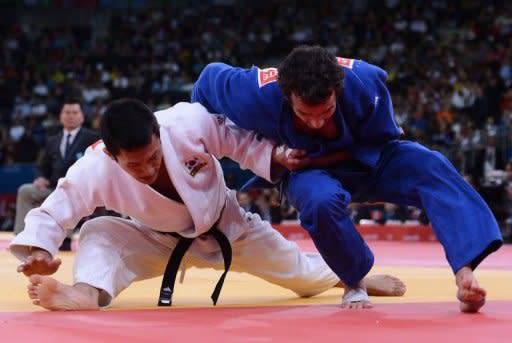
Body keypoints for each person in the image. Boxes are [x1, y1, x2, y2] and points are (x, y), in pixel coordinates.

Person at [11, 98, 405, 311]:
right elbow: (54, 209)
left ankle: (352, 276)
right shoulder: (94, 166)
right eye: (135, 164)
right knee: (98, 231)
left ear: (157, 133)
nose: (148, 168)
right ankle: (85, 292)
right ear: (113, 156)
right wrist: (40, 249)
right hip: (156, 240)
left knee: (299, 274)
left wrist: (278, 156)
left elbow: (240, 141)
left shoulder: (185, 123)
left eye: (154, 156)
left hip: (227, 226)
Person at [191, 45, 503, 312]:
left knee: (431, 166)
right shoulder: (254, 93)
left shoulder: (365, 83)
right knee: (319, 201)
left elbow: (381, 141)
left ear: (337, 93)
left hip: (367, 158)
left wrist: (317, 153)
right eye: (305, 113)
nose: (316, 121)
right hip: (306, 171)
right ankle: (354, 281)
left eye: (326, 111)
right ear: (286, 97)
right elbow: (207, 81)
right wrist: (195, 151)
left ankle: (465, 274)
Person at [13, 98, 99, 250]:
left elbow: (98, 165)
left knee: (70, 198)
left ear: (82, 117)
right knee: (25, 191)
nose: (71, 116)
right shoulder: (53, 139)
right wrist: (40, 177)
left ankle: (64, 239)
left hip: (77, 190)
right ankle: (23, 237)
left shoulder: (91, 138)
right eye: (67, 112)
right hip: (52, 187)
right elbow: (42, 165)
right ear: (61, 116)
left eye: (75, 112)